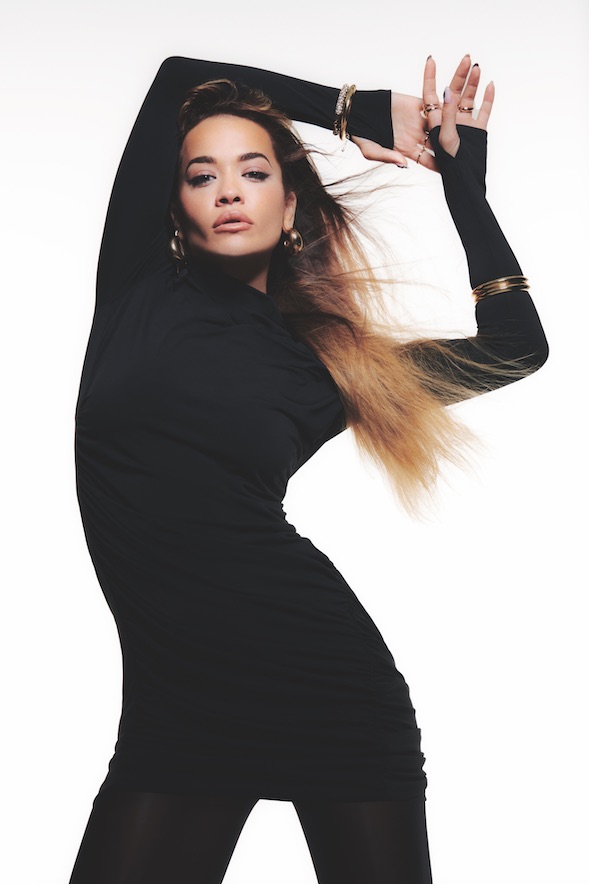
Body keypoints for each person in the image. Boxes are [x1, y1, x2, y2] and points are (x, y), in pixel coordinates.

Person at [68, 53, 548, 884]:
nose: (228, 190)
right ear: (174, 207)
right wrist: (354, 111)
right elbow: (176, 76)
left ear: (289, 206)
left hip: (324, 685)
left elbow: (515, 348)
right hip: (174, 707)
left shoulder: (329, 368)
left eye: (254, 172)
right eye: (202, 175)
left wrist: (462, 186)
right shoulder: (135, 286)